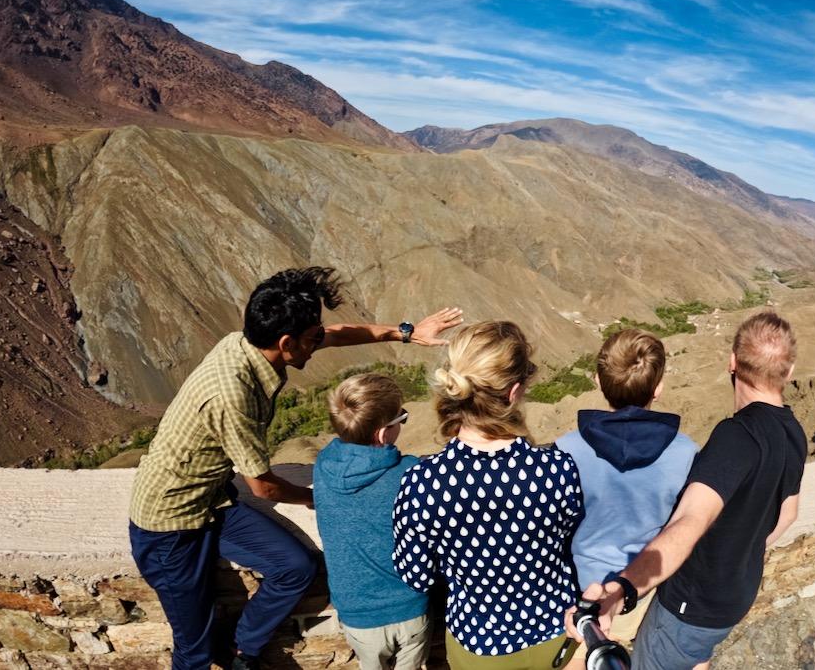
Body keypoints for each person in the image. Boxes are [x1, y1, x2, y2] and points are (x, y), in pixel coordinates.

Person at [128, 266, 462, 670]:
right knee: (192, 650)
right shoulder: (232, 395)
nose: (320, 342)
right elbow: (263, 487)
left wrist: (405, 333)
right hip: (169, 523)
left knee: (295, 568)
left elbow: (337, 334)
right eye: (312, 338)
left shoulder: (249, 344)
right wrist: (317, 496)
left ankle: (241, 651)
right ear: (287, 343)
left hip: (213, 501)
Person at [571, 311, 806, 670]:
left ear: (732, 362)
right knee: (696, 654)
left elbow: (690, 521)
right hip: (737, 595)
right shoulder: (794, 432)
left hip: (692, 604)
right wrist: (738, 550)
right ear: (789, 372)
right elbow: (788, 514)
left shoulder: (735, 436)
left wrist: (621, 591)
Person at [392, 321, 584, 670]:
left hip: (478, 644)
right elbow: (568, 541)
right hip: (555, 634)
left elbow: (416, 576)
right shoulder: (557, 468)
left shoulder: (422, 482)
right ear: (514, 393)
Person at [554, 329, 696, 652]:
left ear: (598, 381)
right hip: (642, 591)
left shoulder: (565, 450)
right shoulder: (686, 453)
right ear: (658, 388)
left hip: (578, 590)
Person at [314, 373, 430, 670]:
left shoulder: (323, 466)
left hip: (356, 615)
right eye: (402, 418)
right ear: (382, 434)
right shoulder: (411, 474)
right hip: (408, 607)